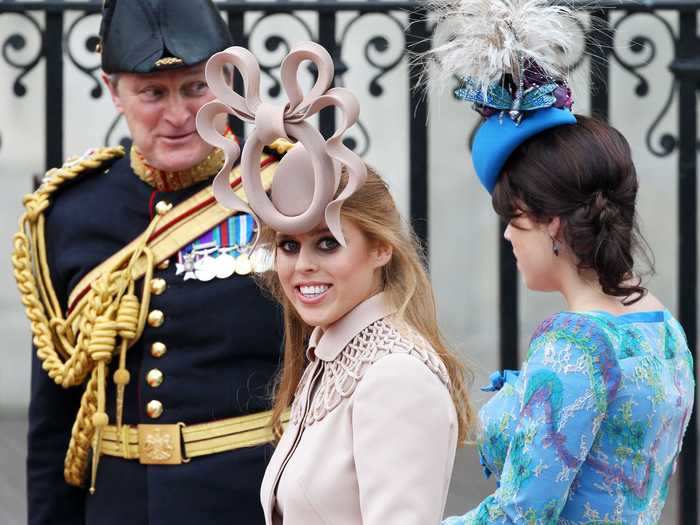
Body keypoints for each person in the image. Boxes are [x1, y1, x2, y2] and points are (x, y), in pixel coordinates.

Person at [12, 1, 287, 524]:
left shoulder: (284, 186)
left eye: (196, 88)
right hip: (118, 505)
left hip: (251, 500)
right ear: (113, 90)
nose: (179, 115)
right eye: (152, 93)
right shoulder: (68, 213)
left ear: (228, 79)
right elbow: (55, 420)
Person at [426, 1, 695, 523]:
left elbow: (520, 515)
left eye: (516, 218)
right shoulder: (664, 329)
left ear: (551, 223)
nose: (507, 234)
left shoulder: (578, 345)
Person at [196, 41, 473, 525]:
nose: (302, 264)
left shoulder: (393, 376)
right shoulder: (332, 355)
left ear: (381, 248)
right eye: (288, 245)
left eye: (327, 243)